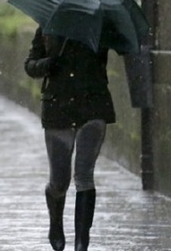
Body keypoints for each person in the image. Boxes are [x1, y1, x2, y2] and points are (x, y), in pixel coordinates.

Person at [24, 26, 116, 251]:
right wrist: (47, 64)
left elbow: (116, 50)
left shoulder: (100, 25)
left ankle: (82, 242)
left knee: (84, 175)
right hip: (59, 110)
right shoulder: (49, 24)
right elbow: (30, 65)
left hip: (93, 108)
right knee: (59, 180)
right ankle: (56, 224)